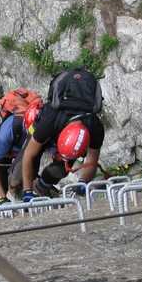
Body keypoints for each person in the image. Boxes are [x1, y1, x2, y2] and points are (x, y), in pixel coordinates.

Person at [20, 68, 105, 200]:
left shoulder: (95, 127)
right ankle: (24, 187)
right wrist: (27, 191)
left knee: (61, 170)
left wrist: (83, 183)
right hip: (51, 128)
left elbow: (92, 162)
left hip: (66, 129)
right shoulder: (50, 120)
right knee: (26, 165)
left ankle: (43, 185)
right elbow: (29, 154)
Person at [0, 92, 41, 204]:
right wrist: (2, 198)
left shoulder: (44, 123)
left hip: (24, 149)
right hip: (7, 150)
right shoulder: (9, 130)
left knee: (17, 179)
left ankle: (18, 189)